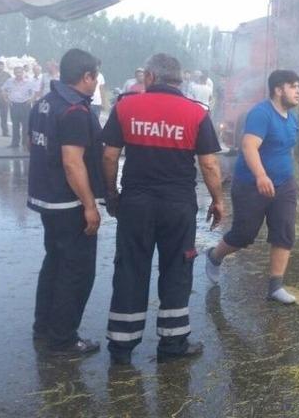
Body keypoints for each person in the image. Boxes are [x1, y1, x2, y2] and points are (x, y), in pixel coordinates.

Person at [101, 53, 225, 365]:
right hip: (178, 206)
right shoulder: (196, 113)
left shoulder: (126, 106)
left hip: (135, 204)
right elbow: (209, 165)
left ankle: (121, 347)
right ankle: (173, 344)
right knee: (176, 270)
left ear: (150, 77)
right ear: (179, 81)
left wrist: (111, 194)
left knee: (130, 269)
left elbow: (109, 156)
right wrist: (218, 201)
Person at [27, 48, 105, 356]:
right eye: (95, 77)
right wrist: (90, 205)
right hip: (68, 204)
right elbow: (73, 163)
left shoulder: (44, 103)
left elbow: (31, 144)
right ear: (86, 77)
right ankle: (63, 339)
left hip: (47, 199)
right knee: (76, 271)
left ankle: (44, 327)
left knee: (55, 262)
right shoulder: (74, 111)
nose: (96, 83)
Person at [204, 70, 299, 304]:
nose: (298, 91)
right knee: (244, 235)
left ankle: (275, 287)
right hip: (251, 184)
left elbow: (286, 149)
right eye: (293, 86)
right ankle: (215, 256)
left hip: (284, 184)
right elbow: (249, 146)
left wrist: (290, 178)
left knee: (284, 231)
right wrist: (261, 176)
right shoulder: (261, 114)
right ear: (278, 89)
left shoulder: (292, 118)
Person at [1, 66, 38, 148]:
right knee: (15, 125)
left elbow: (35, 92)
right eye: (17, 72)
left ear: (23, 73)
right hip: (14, 105)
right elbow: (3, 89)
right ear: (14, 73)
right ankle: (15, 143)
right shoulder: (9, 81)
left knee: (26, 125)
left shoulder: (28, 82)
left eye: (20, 72)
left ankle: (25, 143)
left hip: (25, 105)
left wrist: (31, 99)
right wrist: (6, 99)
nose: (18, 74)